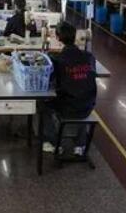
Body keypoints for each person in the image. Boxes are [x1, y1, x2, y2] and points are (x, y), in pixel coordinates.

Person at [43, 22, 97, 154]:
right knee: (81, 94)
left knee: (43, 104)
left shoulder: (57, 60)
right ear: (75, 37)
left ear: (57, 38)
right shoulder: (89, 57)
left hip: (68, 108)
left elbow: (50, 81)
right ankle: (80, 145)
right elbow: (90, 76)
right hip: (88, 106)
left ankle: (54, 143)